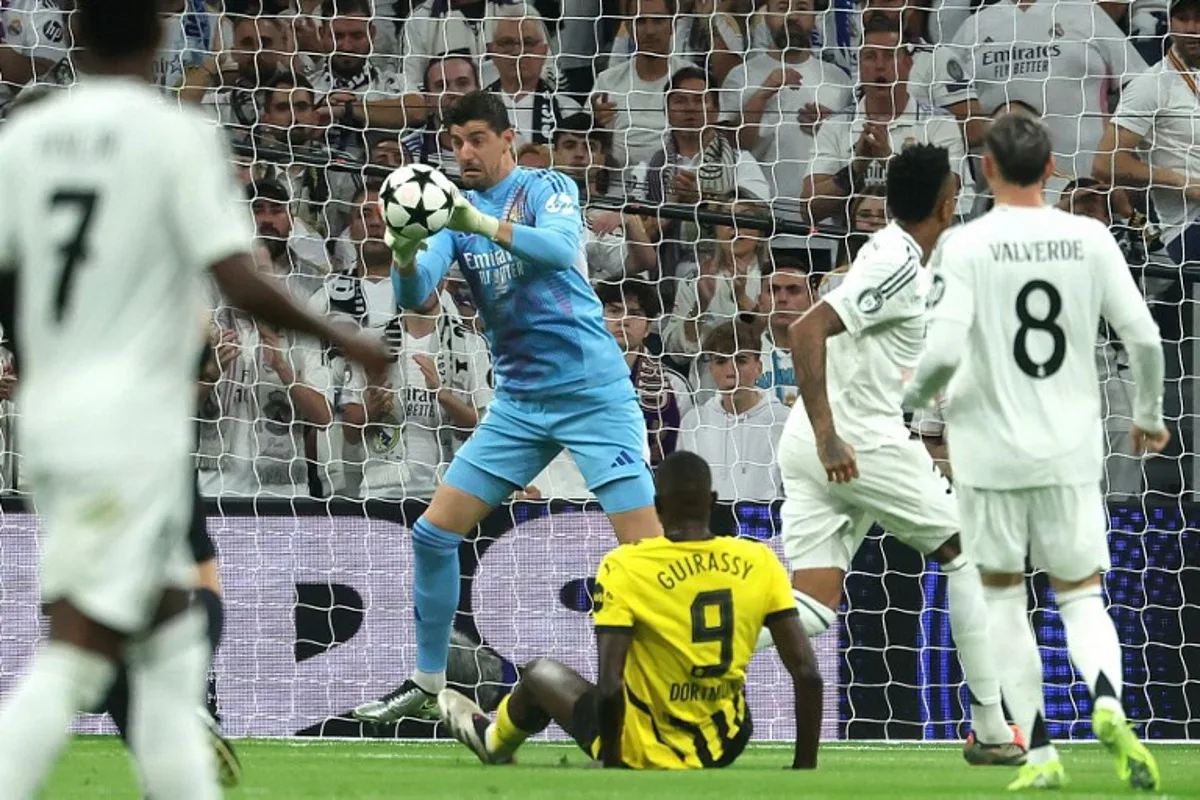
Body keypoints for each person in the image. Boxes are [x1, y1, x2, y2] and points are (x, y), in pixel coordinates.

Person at [0, 1, 389, 796]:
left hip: (51, 416)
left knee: (172, 638)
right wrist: (342, 339)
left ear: (72, 35)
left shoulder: (23, 140)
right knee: (81, 648)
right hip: (131, 422)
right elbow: (237, 275)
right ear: (161, 37)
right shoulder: (174, 133)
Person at [352, 90, 663, 724]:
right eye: (454, 142)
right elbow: (414, 295)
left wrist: (476, 222)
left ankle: (679, 685)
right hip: (519, 402)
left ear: (506, 140)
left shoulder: (546, 186)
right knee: (433, 532)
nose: (462, 153)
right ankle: (429, 681)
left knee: (646, 554)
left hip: (591, 394)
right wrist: (407, 245)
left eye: (474, 140)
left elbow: (553, 249)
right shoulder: (449, 212)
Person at [905, 114, 1167, 792]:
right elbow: (1142, 338)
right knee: (1081, 597)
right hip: (1069, 451)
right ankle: (1107, 702)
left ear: (986, 169)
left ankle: (1043, 753)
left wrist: (910, 404)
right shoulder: (1090, 235)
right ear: (1052, 169)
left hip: (987, 454)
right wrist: (1148, 416)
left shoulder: (964, 246)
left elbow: (938, 352)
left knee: (1002, 600)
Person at [777, 144, 1025, 765]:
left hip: (812, 440)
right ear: (949, 203)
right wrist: (833, 433)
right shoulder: (893, 263)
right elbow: (805, 329)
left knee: (808, 608)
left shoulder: (902, 257)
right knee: (968, 552)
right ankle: (992, 730)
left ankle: (681, 630)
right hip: (852, 441)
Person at [437, 450, 824, 770]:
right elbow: (807, 672)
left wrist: (614, 763)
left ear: (657, 506)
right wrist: (803, 767)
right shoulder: (758, 560)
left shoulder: (627, 565)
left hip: (641, 748)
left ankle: (494, 741)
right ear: (713, 502)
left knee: (540, 674)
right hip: (724, 744)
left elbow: (611, 683)